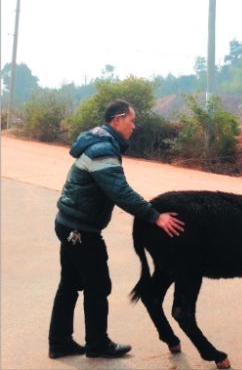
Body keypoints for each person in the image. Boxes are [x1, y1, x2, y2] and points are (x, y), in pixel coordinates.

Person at [48, 99, 185, 359]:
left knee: (70, 284)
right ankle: (97, 344)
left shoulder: (100, 143)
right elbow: (120, 192)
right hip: (80, 229)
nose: (134, 126)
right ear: (117, 119)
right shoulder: (102, 149)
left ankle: (60, 342)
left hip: (69, 223)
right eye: (132, 120)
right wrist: (155, 217)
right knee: (98, 286)